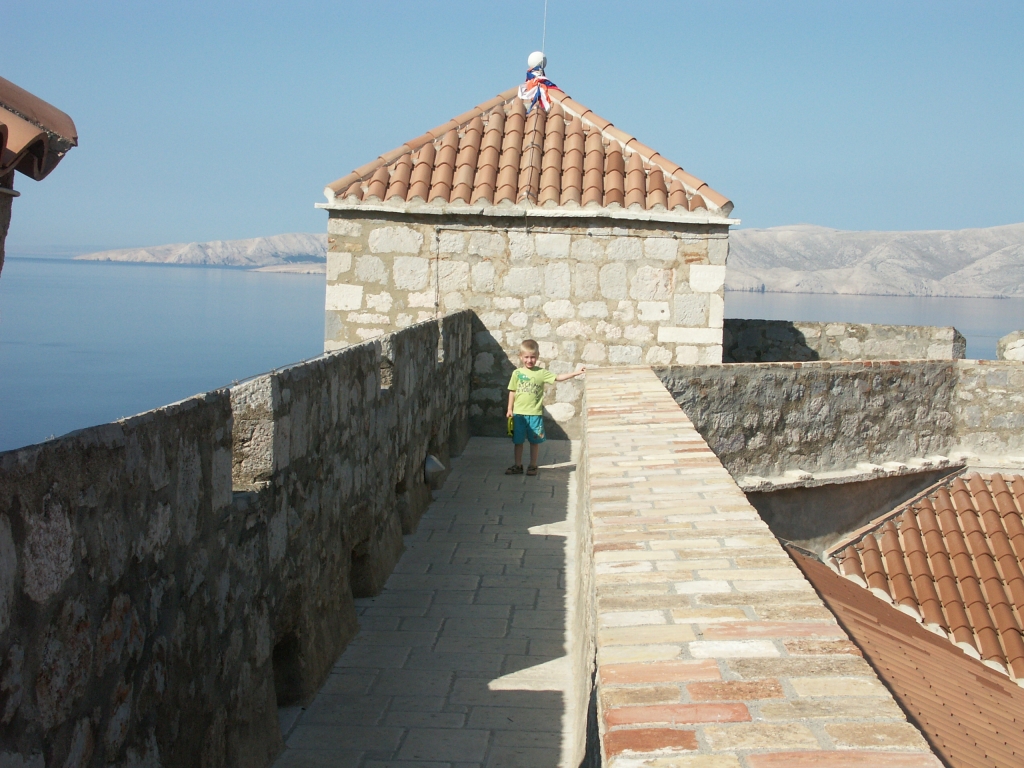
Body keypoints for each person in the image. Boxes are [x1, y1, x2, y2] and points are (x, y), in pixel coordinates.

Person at [505, 339, 585, 476]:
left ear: (537, 356)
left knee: (534, 441)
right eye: (526, 357)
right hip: (518, 414)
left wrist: (575, 373)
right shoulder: (516, 374)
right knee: (518, 442)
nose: (529, 360)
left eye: (532, 357)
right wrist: (509, 409)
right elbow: (512, 391)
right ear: (521, 357)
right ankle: (518, 465)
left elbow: (558, 377)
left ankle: (533, 465)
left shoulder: (541, 373)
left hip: (535, 414)